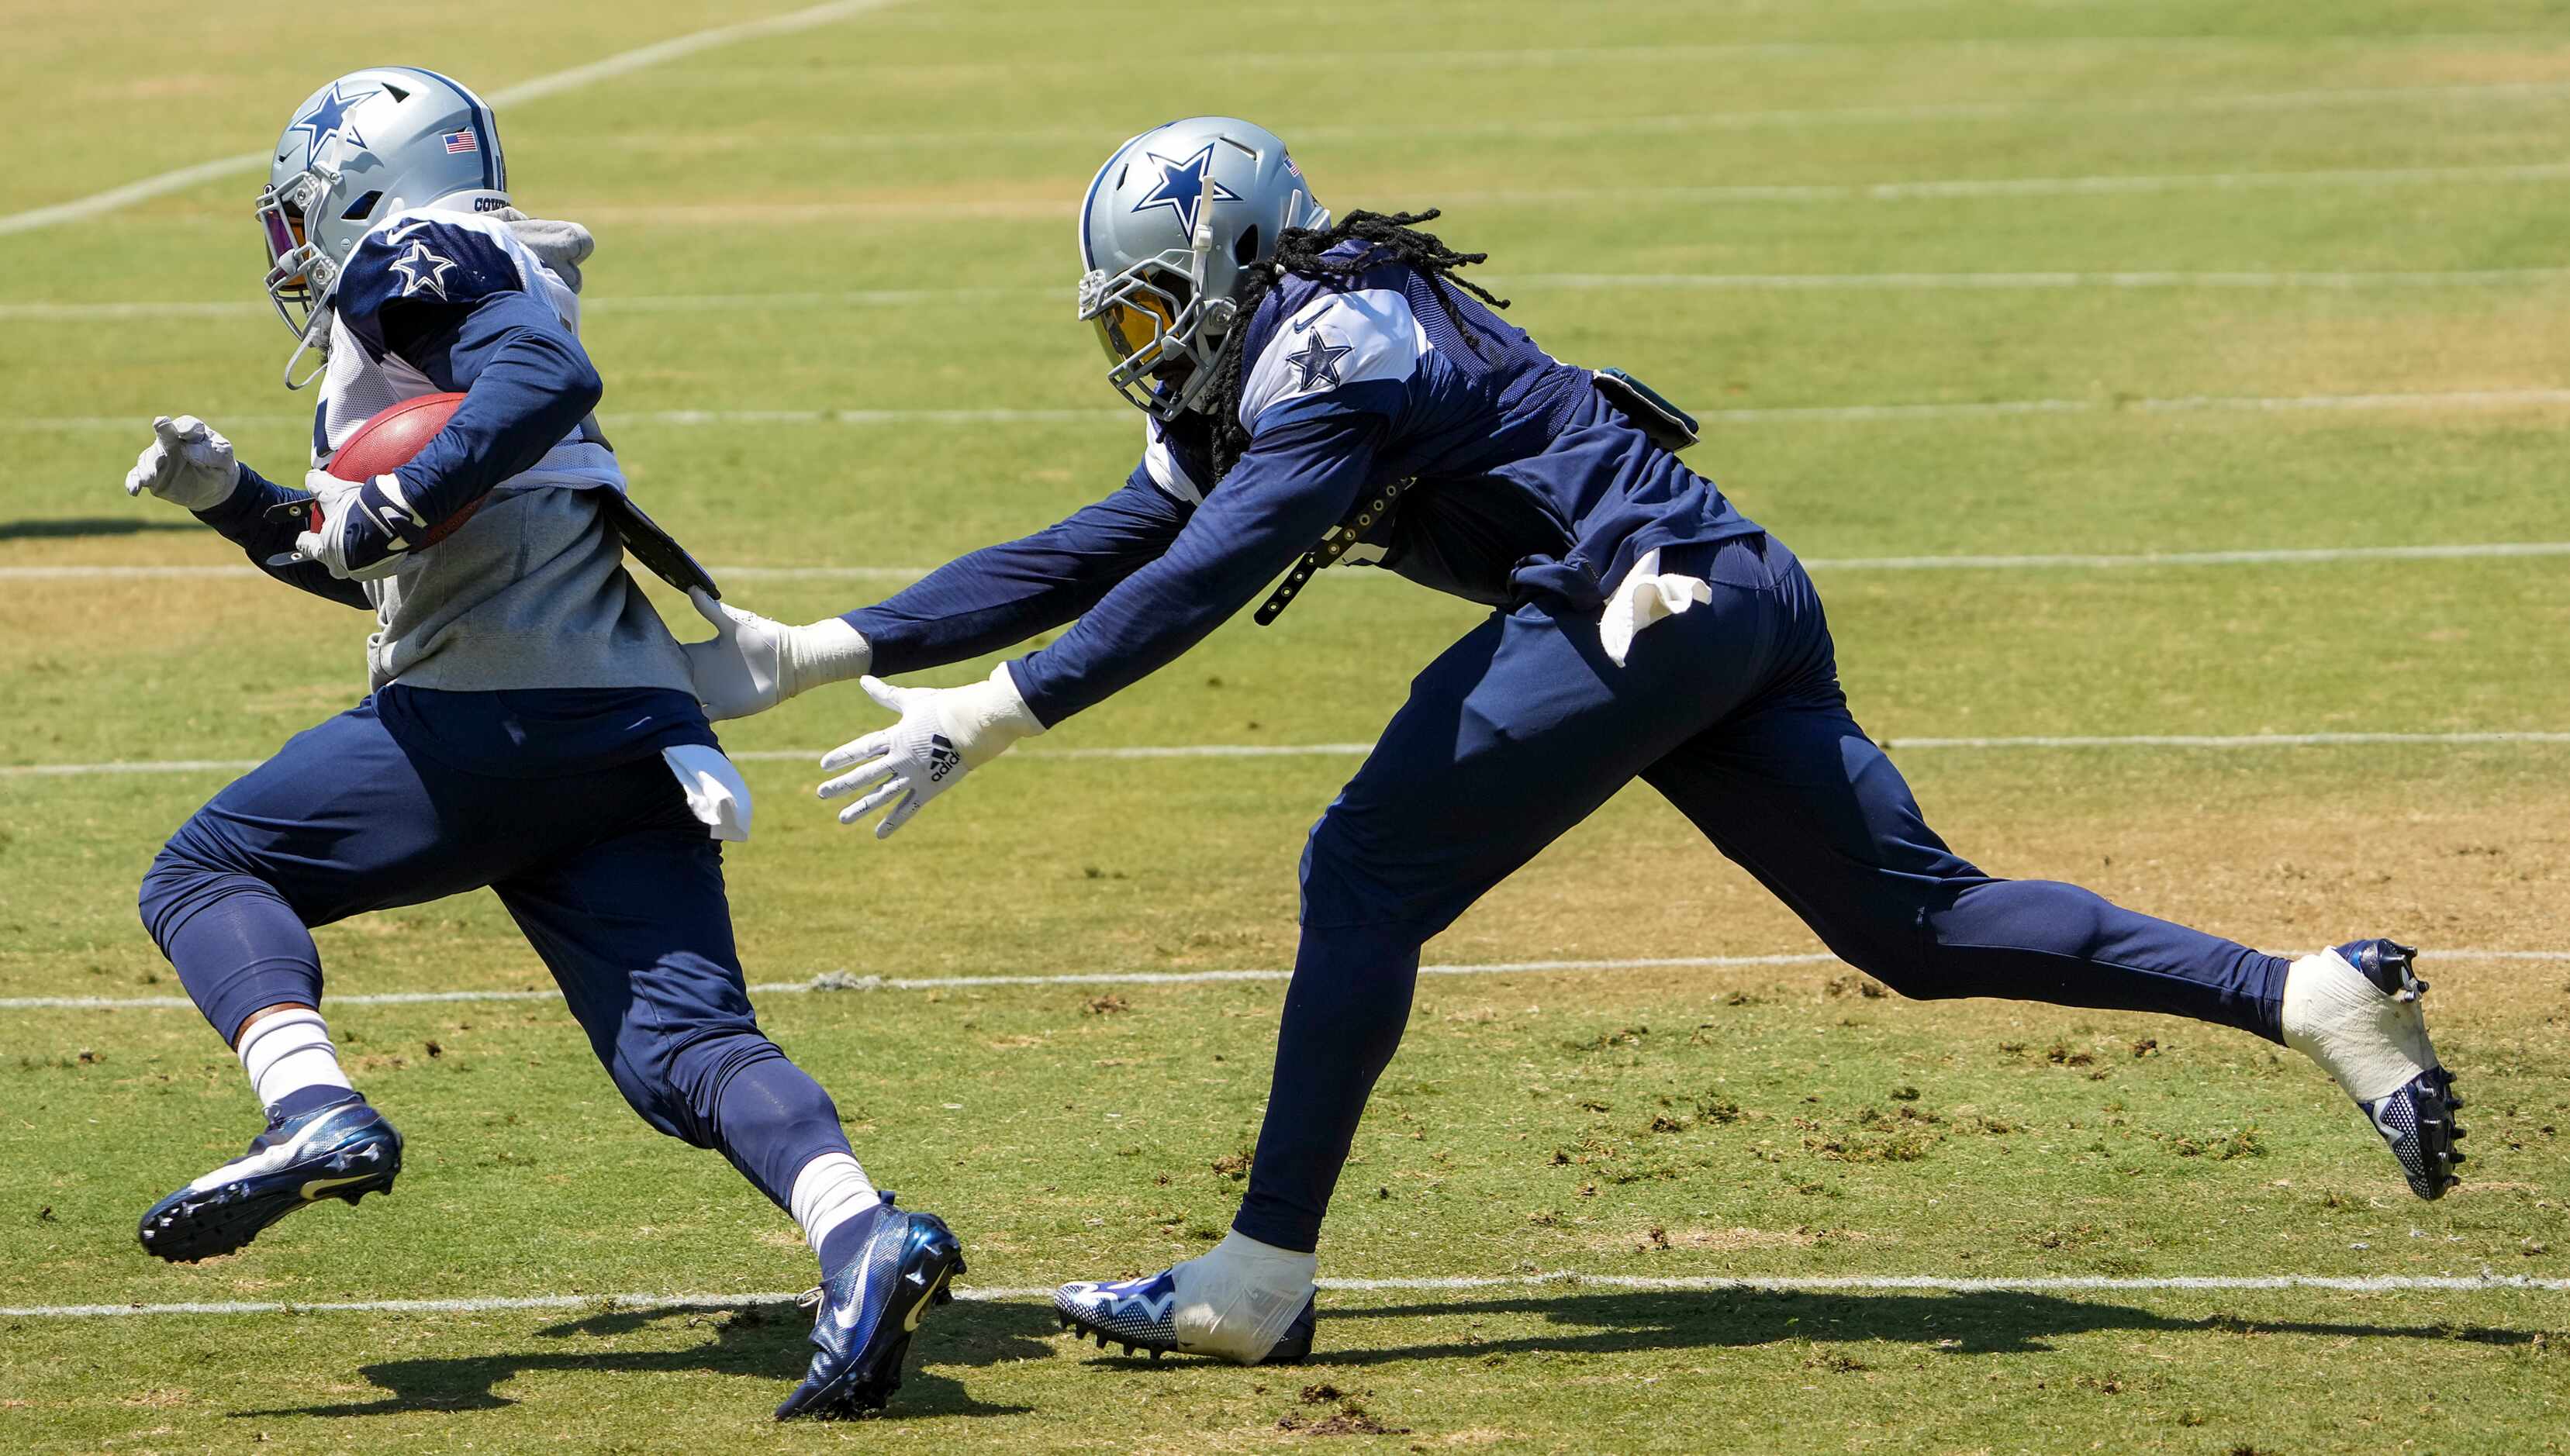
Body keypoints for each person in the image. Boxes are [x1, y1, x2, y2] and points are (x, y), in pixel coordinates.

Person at [682, 116, 2463, 1367]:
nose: (1144, 348)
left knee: (1360, 867)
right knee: (1910, 928)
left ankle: (1261, 1273)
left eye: (1155, 308)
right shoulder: (1300, 342)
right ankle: (2303, 992)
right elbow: (1095, 542)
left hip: (1635, 611)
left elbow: (1212, 567)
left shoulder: (1336, 356)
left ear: (1223, 266)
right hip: (1730, 591)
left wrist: (998, 714)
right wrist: (821, 648)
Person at [119, 68, 955, 1418]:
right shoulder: (461, 283)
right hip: (621, 729)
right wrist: (239, 501)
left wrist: (395, 498)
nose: (292, 245)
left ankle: (312, 1107)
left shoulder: (416, 250)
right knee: (687, 1045)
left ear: (366, 180)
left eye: (301, 211)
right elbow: (387, 557)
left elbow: (538, 389)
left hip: (490, 717)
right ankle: (861, 1231)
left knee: (207, 875)